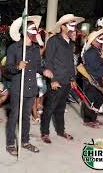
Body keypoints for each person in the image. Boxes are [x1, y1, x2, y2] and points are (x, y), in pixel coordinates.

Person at [5, 16, 52, 155]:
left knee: (26, 116)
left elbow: (38, 66)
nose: (36, 32)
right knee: (14, 116)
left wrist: (45, 71)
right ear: (24, 31)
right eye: (32, 29)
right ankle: (10, 144)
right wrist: (17, 66)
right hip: (17, 88)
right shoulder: (14, 48)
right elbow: (7, 69)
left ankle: (25, 141)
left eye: (36, 29)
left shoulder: (35, 48)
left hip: (31, 88)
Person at [41, 14, 84, 144]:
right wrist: (52, 79)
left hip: (67, 80)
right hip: (56, 81)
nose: (74, 28)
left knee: (60, 108)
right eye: (71, 25)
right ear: (63, 27)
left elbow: (71, 62)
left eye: (75, 25)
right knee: (50, 108)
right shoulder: (53, 40)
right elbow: (48, 61)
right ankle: (45, 133)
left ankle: (60, 131)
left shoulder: (71, 43)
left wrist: (73, 78)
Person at [81, 28, 103, 128]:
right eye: (98, 40)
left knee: (100, 97)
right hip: (91, 79)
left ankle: (93, 117)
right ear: (93, 41)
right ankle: (87, 120)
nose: (101, 42)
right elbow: (94, 66)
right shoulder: (90, 52)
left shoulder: (97, 51)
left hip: (98, 78)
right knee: (89, 99)